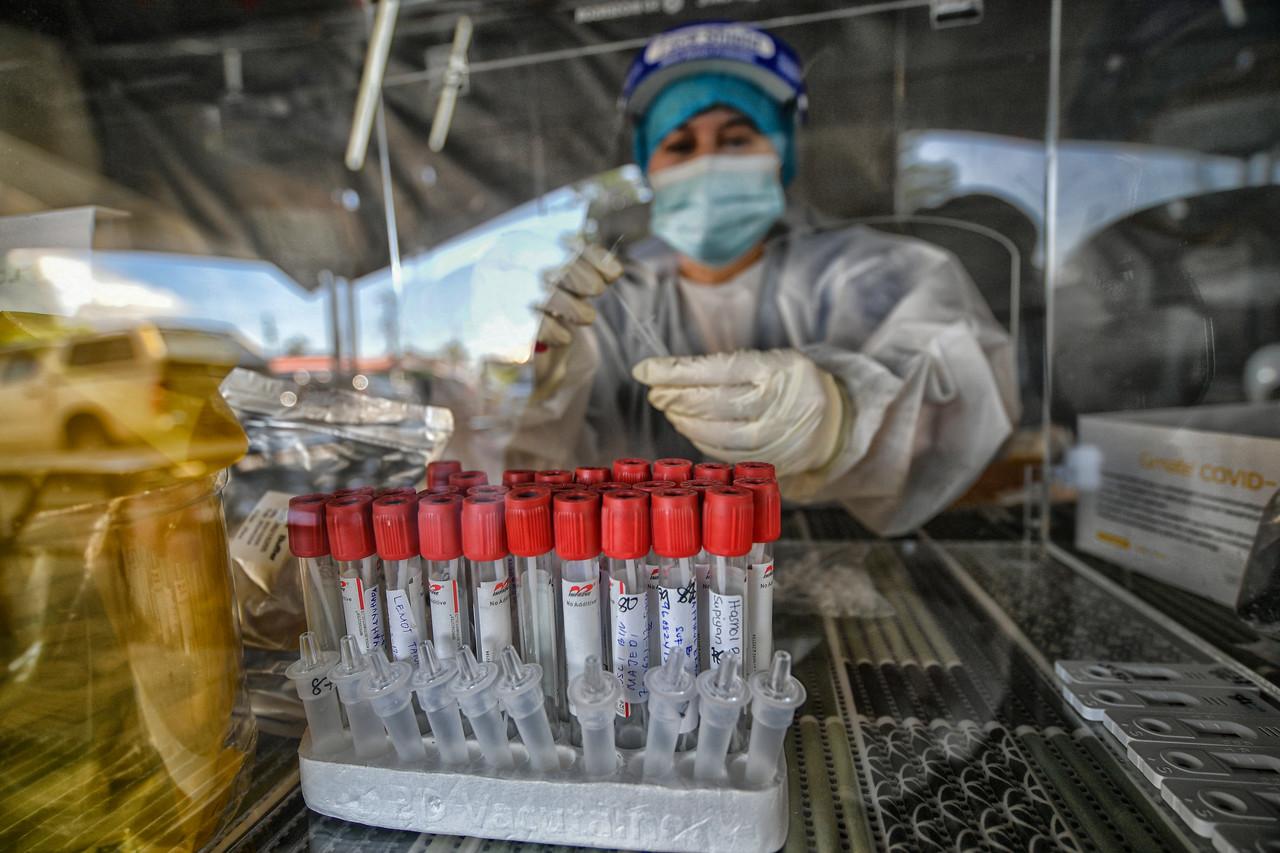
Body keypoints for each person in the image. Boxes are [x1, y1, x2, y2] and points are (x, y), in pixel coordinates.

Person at [507, 21, 1019, 536]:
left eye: (736, 139)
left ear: (782, 153)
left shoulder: (876, 274)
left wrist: (841, 420)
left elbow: (967, 397)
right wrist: (548, 385)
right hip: (651, 574)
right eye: (681, 146)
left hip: (842, 554)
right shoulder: (604, 303)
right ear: (648, 164)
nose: (708, 164)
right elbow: (536, 477)